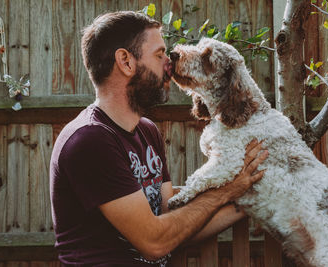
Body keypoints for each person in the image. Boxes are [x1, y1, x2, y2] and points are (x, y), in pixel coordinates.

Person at [49, 11, 268, 267]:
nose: (169, 63)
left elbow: (173, 224)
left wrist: (249, 197)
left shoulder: (147, 131)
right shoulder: (89, 140)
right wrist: (226, 192)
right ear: (126, 62)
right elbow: (155, 243)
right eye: (159, 54)